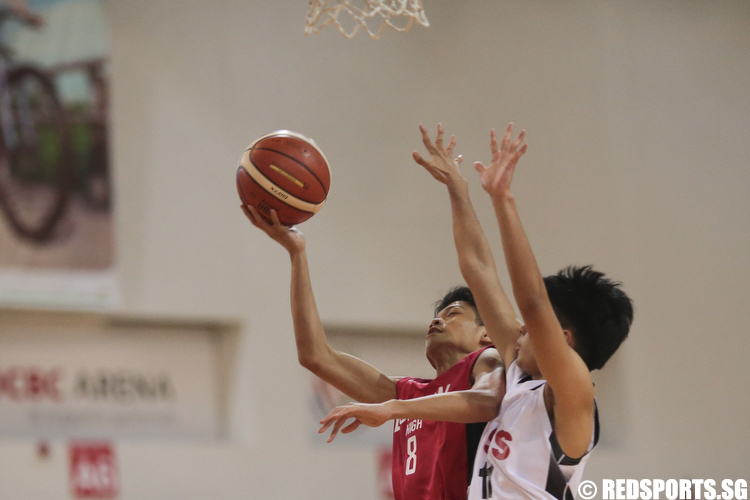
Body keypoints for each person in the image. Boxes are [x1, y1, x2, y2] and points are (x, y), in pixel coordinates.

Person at [319, 123, 634, 500]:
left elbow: (533, 302)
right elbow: (478, 268)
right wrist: (459, 190)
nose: (519, 330)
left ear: (563, 340)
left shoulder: (573, 394)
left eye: (533, 328)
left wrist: (504, 200)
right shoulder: (518, 371)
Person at [241, 149, 520, 500]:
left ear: (486, 334)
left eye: (452, 314)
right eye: (437, 314)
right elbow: (315, 356)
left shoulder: (488, 361)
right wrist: (296, 253)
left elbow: (487, 401)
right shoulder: (408, 392)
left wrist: (391, 409)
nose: (437, 319)